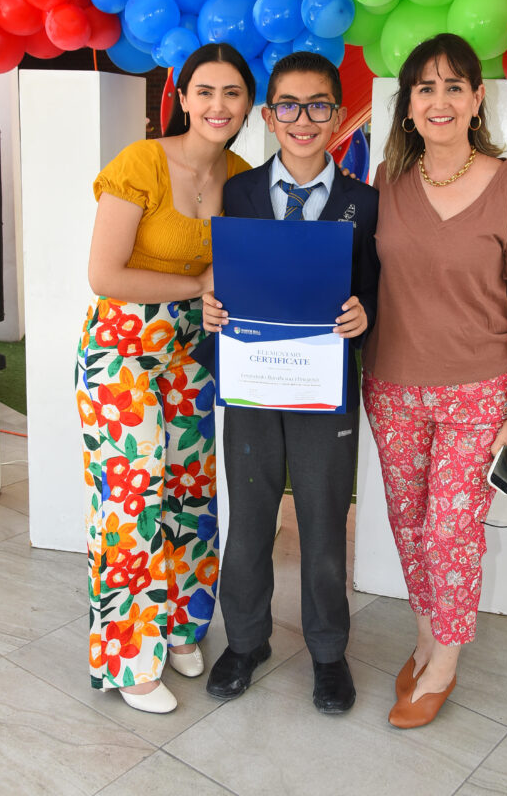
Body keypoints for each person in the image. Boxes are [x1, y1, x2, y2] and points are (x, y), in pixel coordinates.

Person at [362, 33, 507, 729]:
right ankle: (424, 634)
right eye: (424, 87)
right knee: (409, 527)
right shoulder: (385, 184)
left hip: (478, 391)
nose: (438, 100)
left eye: (453, 86)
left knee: (449, 530)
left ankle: (443, 659)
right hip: (391, 386)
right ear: (406, 105)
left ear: (477, 99)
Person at [75, 43, 255, 714]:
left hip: (188, 354)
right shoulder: (141, 163)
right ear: (180, 99)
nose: (217, 105)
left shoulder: (240, 176)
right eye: (204, 91)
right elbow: (105, 275)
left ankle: (180, 625)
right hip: (120, 354)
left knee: (188, 495)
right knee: (131, 504)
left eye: (232, 93)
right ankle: (126, 658)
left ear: (247, 104)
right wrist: (195, 283)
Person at [201, 51, 380, 714]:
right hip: (250, 386)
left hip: (323, 390)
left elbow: (375, 291)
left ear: (337, 115)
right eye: (287, 105)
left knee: (322, 521)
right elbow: (220, 279)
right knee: (247, 521)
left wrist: (366, 313)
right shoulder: (239, 193)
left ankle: (328, 653)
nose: (302, 119)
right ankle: (245, 641)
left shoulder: (363, 203)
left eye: (316, 105)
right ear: (267, 116)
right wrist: (211, 308)